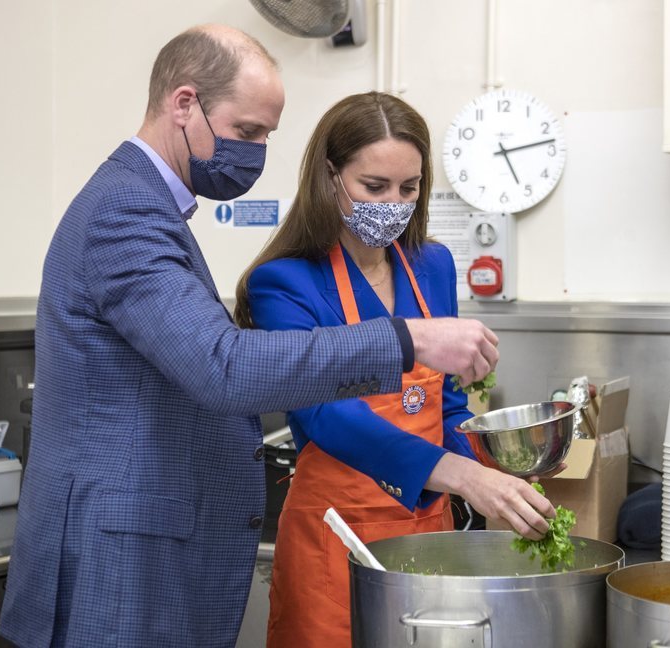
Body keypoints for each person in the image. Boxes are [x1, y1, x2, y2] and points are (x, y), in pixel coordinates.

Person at [0, 25, 499, 648]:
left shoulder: (147, 208)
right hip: (120, 558)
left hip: (155, 547)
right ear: (184, 105)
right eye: (247, 132)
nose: (257, 153)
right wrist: (405, 340)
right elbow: (223, 366)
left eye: (267, 134)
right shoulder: (125, 212)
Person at [233, 91, 556, 648]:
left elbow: (446, 407)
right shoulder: (285, 283)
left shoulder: (432, 265)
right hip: (334, 539)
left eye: (409, 188)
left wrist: (499, 467)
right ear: (330, 177)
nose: (394, 203)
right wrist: (464, 477)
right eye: (374, 187)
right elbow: (327, 420)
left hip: (427, 532)